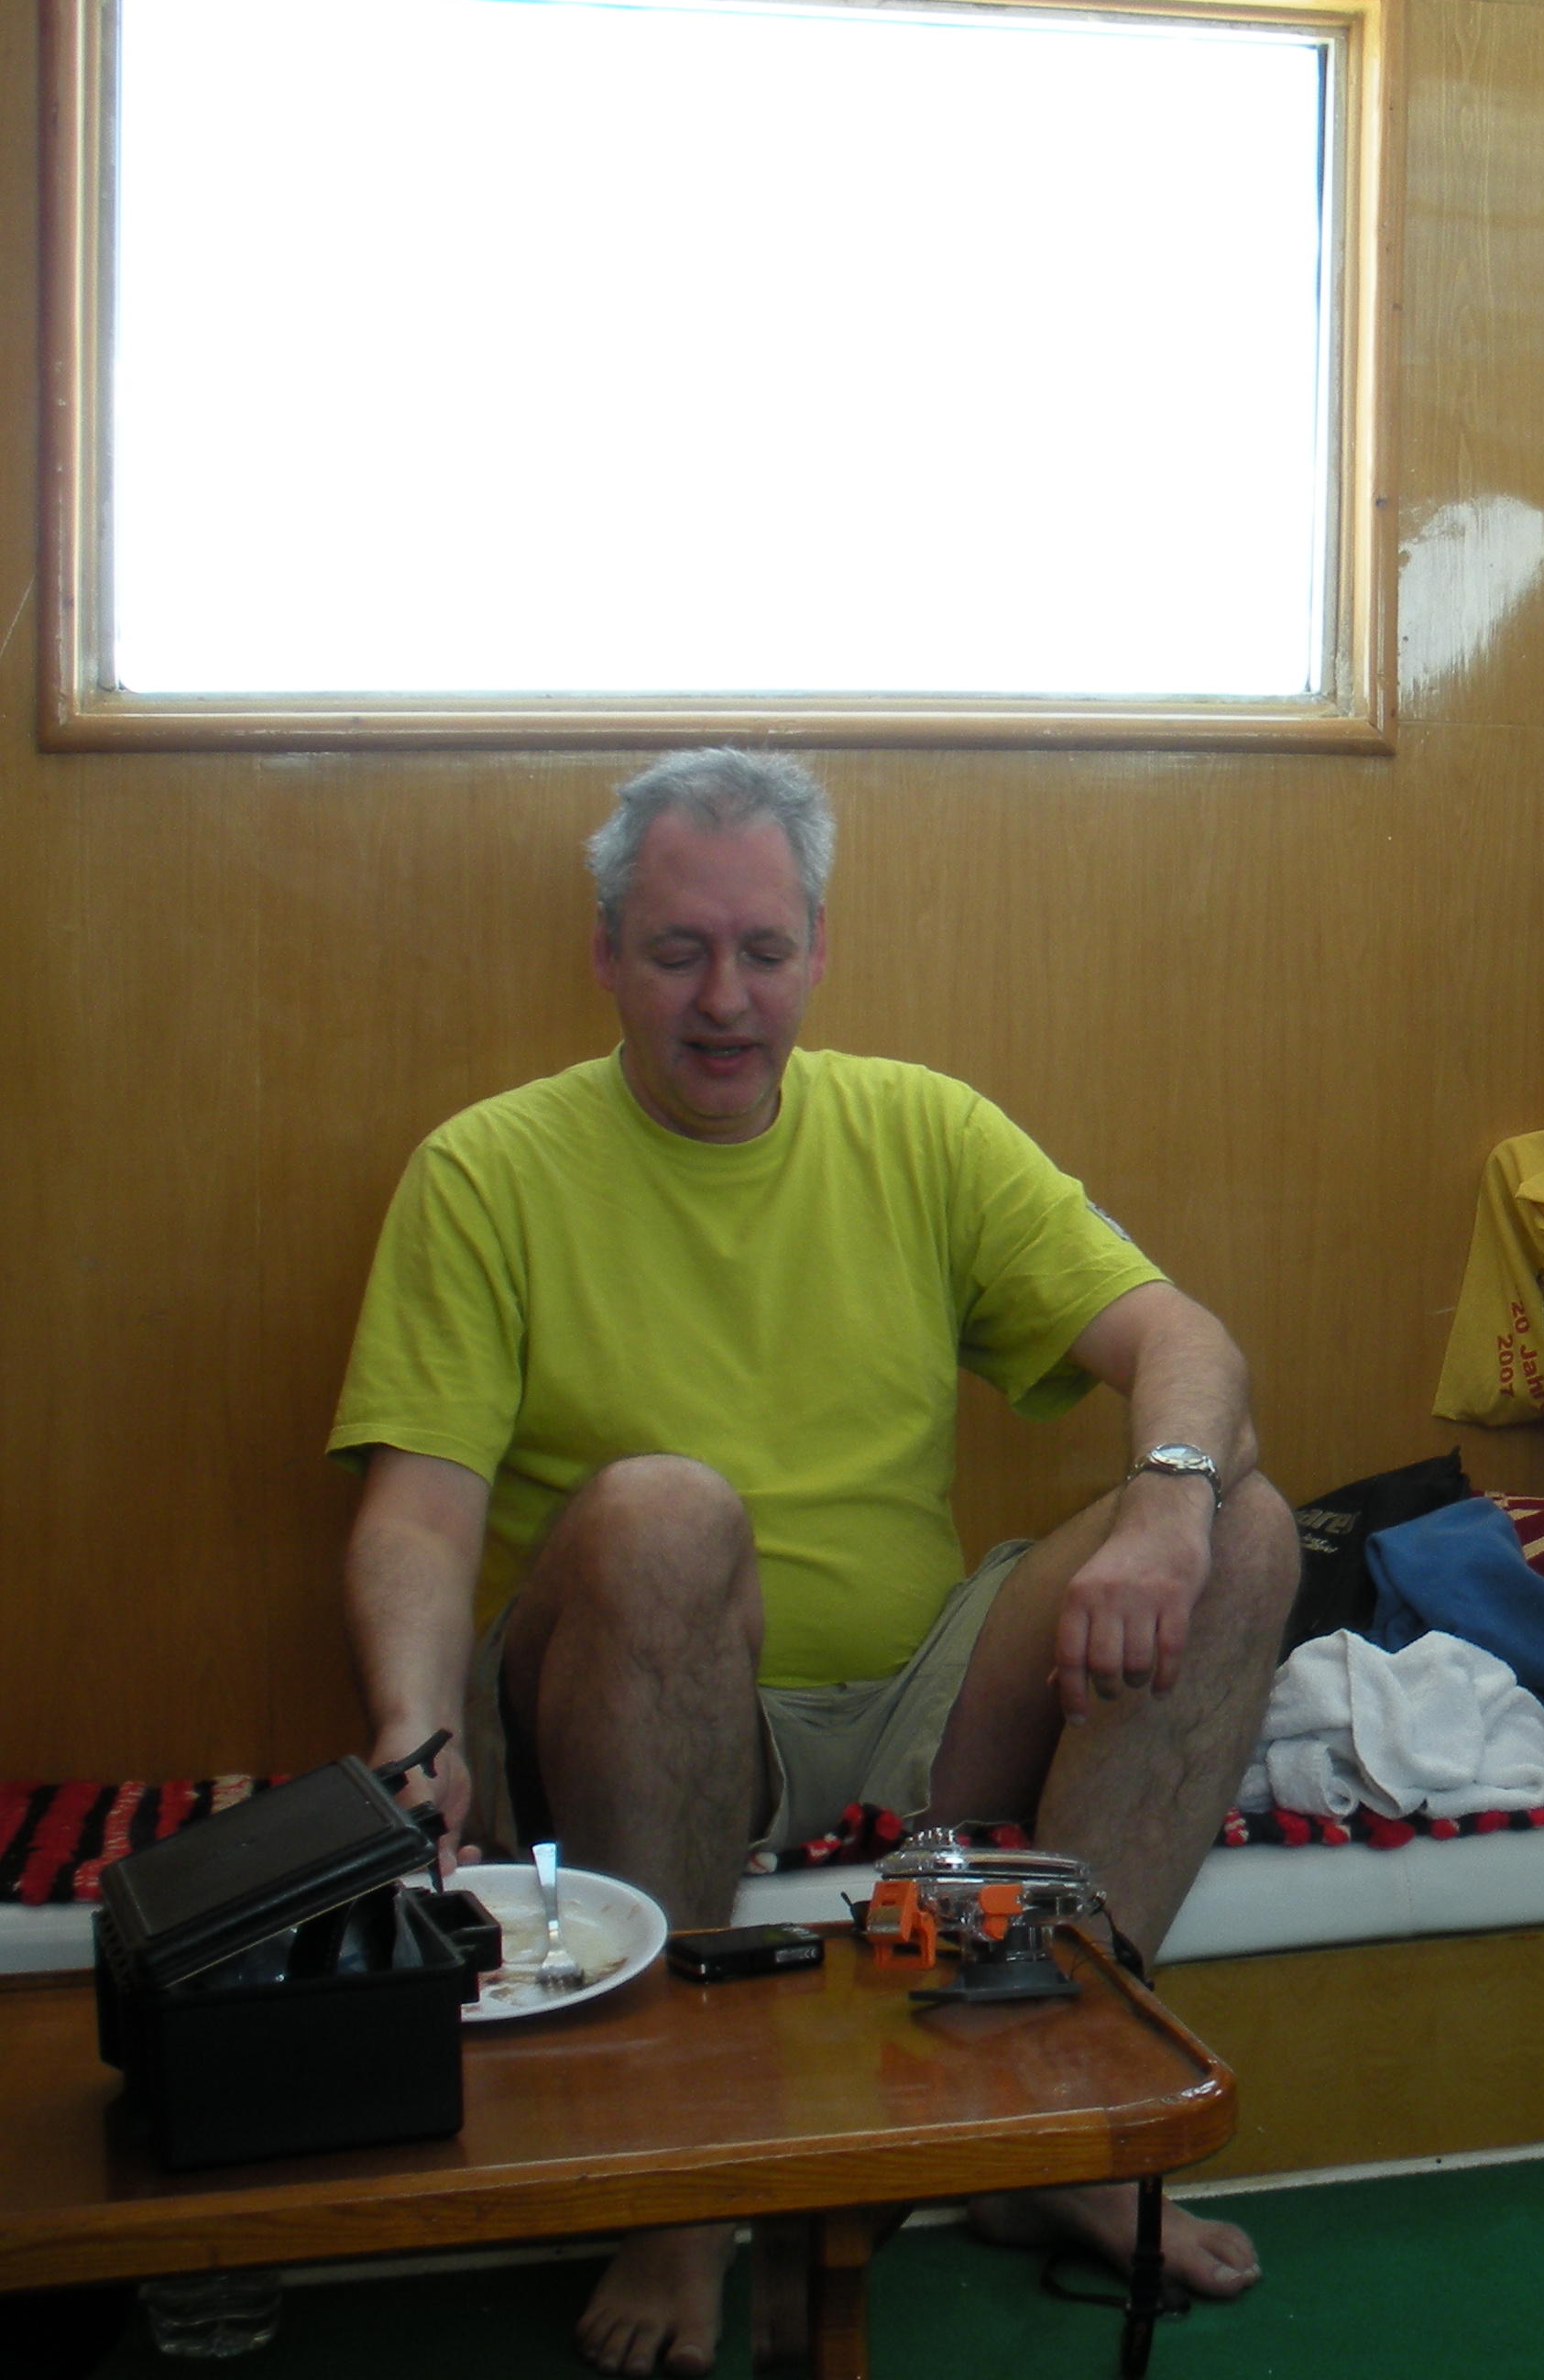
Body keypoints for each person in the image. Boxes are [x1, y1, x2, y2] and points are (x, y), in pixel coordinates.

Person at [332, 749, 1298, 2376]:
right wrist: (412, 1740)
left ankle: (1044, 2122)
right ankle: (679, 2187)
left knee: (1241, 1521)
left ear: (818, 951)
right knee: (667, 1512)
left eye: (763, 952)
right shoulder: (485, 1169)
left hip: (914, 1704)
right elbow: (418, 1512)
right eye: (677, 951)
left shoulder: (923, 1130)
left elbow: (1181, 1339)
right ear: (606, 953)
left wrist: (1167, 1501)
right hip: (621, 1711)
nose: (726, 1000)